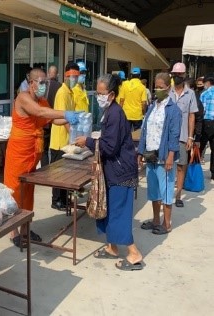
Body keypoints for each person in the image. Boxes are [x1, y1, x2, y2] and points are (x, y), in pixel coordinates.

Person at [4, 67, 80, 247]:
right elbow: (40, 113)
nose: (44, 85)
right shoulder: (23, 98)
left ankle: (25, 229)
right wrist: (65, 113)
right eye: (41, 82)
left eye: (46, 82)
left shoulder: (43, 101)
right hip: (18, 153)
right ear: (31, 83)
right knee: (14, 192)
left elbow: (52, 119)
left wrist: (71, 118)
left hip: (33, 154)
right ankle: (13, 232)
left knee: (28, 193)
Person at [74, 74, 143, 271]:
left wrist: (87, 141)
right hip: (112, 170)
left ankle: (134, 253)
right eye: (97, 92)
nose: (99, 96)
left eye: (101, 93)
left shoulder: (115, 113)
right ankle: (112, 247)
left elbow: (110, 147)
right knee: (108, 210)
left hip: (121, 172)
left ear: (111, 94)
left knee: (118, 213)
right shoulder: (109, 111)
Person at [137, 72, 182, 235]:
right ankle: (156, 220)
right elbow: (144, 131)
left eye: (161, 87)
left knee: (166, 191)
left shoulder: (173, 110)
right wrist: (140, 153)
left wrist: (171, 155)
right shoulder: (151, 107)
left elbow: (174, 134)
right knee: (154, 191)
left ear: (168, 88)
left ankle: (167, 223)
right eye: (155, 87)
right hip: (151, 156)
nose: (157, 90)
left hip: (164, 157)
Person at [49, 62, 80, 211]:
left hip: (68, 140)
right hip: (60, 140)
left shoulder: (71, 92)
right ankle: (56, 200)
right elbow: (63, 117)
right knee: (58, 173)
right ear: (66, 76)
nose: (74, 79)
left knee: (66, 172)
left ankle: (65, 199)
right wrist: (73, 137)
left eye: (76, 76)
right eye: (72, 76)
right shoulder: (62, 93)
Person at [169, 62, 198, 207]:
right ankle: (167, 194)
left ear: (184, 75)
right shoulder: (168, 91)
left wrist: (190, 137)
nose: (177, 77)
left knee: (181, 165)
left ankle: (178, 194)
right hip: (168, 136)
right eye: (175, 74)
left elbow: (191, 116)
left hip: (182, 136)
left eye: (179, 74)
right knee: (167, 165)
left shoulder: (190, 93)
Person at [40, 65, 61, 167]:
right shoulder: (60, 86)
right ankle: (53, 168)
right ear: (57, 74)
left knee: (43, 148)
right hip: (55, 120)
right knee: (53, 148)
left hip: (44, 121)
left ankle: (44, 169)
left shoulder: (44, 86)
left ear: (49, 73)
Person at [200, 74, 214, 180]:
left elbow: (202, 110)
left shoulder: (204, 94)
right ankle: (213, 173)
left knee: (199, 147)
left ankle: (194, 171)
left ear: (207, 83)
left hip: (206, 123)